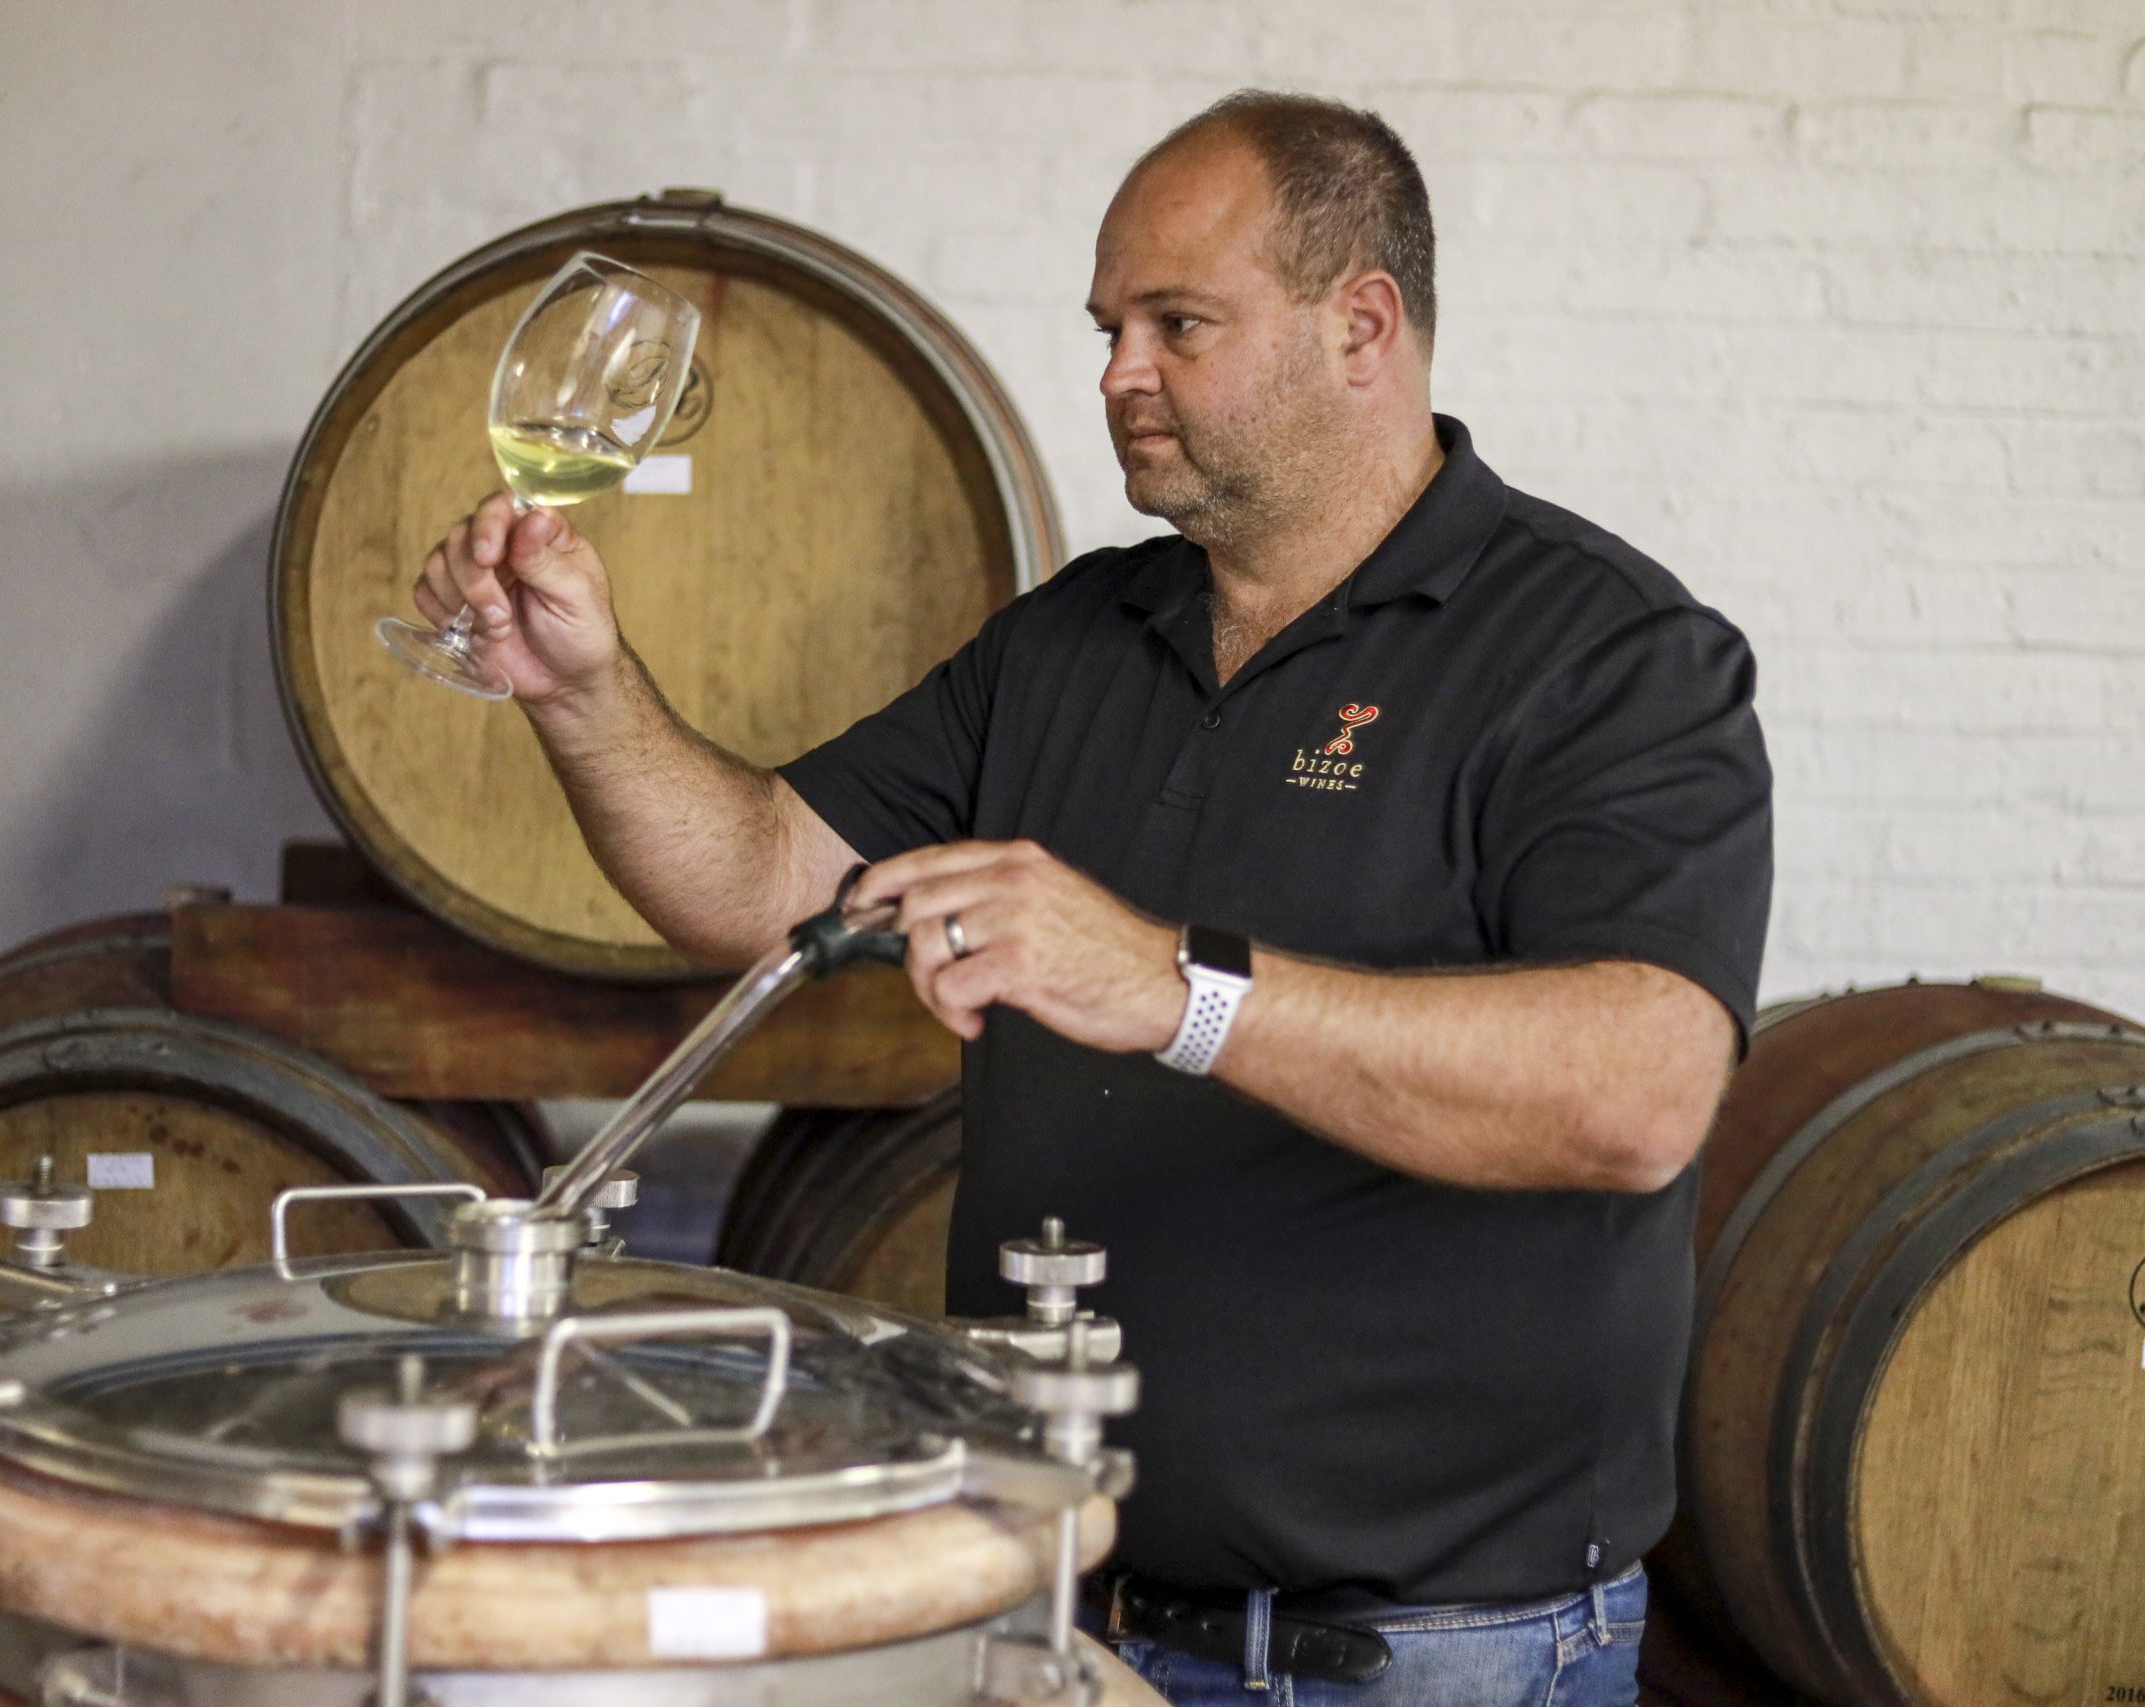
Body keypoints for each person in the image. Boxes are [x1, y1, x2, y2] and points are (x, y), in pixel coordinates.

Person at [417, 89, 1770, 1707]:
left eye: (1177, 325)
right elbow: (758, 883)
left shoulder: (1604, 654)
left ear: (1361, 327)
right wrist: (582, 693)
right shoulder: (1073, 639)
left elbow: (1640, 1092)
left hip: (1423, 1658)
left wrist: (1174, 990)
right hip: (1060, 1607)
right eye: (1109, 328)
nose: (1120, 372)